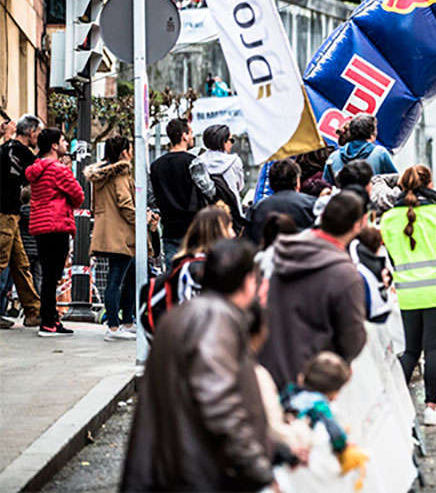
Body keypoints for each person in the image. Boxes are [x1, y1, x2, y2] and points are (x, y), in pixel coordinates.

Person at [122, 239, 274, 491]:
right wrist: (256, 466)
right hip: (198, 472)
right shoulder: (215, 319)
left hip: (175, 466)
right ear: (248, 281)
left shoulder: (184, 314)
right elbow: (217, 401)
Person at [259, 192, 368, 389]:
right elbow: (352, 338)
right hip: (312, 375)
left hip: (266, 368)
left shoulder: (280, 251)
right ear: (357, 225)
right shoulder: (345, 274)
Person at [380, 165, 436, 426]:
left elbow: (387, 258)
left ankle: (392, 405)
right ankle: (431, 409)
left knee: (410, 350)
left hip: (406, 292)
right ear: (429, 183)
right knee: (432, 347)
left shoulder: (388, 219)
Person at [26, 128, 84, 337]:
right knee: (53, 275)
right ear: (53, 145)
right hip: (57, 224)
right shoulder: (58, 169)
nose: (66, 143)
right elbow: (79, 195)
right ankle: (49, 322)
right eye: (62, 140)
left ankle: (50, 319)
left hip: (40, 226)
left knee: (48, 275)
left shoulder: (36, 168)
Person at [84, 136, 138, 341]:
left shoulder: (100, 177)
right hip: (121, 234)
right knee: (117, 280)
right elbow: (125, 204)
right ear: (124, 152)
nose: (131, 153)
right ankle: (114, 326)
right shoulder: (120, 175)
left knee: (125, 277)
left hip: (106, 231)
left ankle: (126, 322)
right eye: (130, 149)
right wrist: (141, 221)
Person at [281, 352, 369, 477]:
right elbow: (333, 430)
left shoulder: (291, 390)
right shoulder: (318, 404)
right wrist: (342, 445)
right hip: (295, 447)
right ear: (332, 392)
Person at [0, 114, 41, 328]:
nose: (39, 137)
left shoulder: (6, 148)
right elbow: (37, 175)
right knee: (2, 261)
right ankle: (33, 311)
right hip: (5, 213)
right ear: (31, 132)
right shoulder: (24, 153)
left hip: (11, 213)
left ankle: (33, 311)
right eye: (38, 133)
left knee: (21, 264)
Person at [150, 118, 203, 264]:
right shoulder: (194, 162)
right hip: (193, 228)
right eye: (190, 132)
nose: (192, 136)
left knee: (172, 275)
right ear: (184, 135)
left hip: (169, 228)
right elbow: (206, 190)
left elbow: (152, 198)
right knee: (195, 275)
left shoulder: (156, 166)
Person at [247, 159, 317, 243]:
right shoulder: (312, 204)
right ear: (297, 181)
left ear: (270, 183)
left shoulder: (257, 208)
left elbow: (249, 239)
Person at [322, 114, 397, 182]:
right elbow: (396, 180)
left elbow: (326, 186)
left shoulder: (333, 157)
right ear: (372, 133)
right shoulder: (380, 154)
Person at [197, 124, 246, 222]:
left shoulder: (199, 162)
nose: (232, 144)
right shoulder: (234, 161)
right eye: (231, 140)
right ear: (223, 141)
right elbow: (240, 186)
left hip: (206, 213)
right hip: (232, 211)